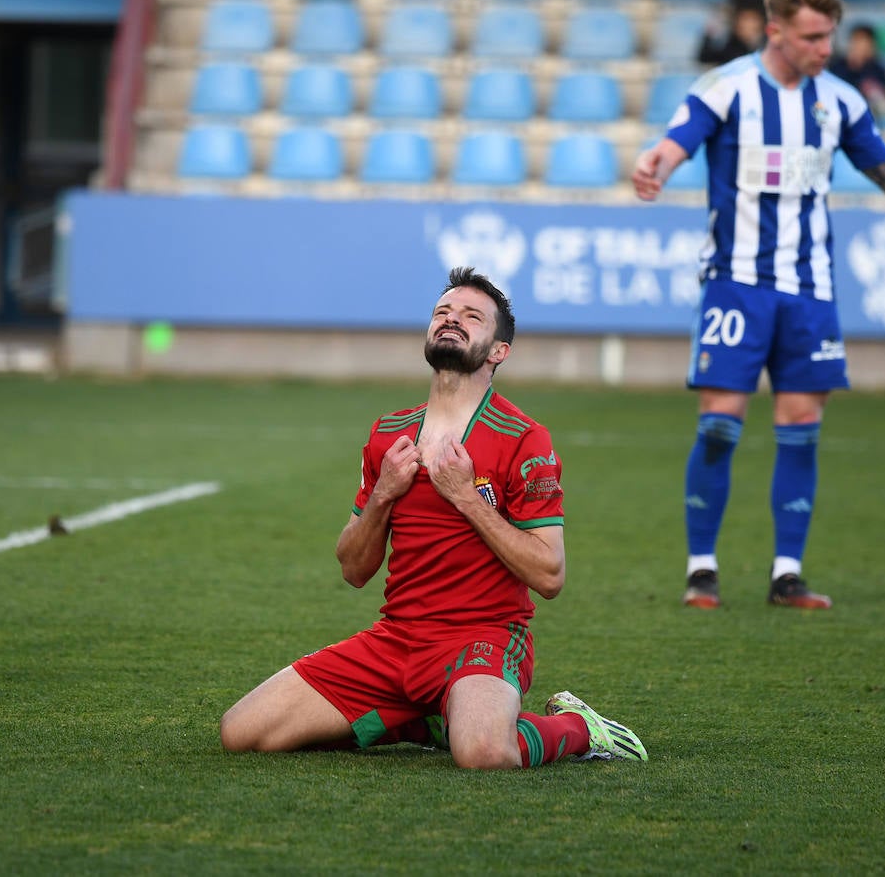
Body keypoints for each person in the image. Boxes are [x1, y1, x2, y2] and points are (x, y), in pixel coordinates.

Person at [631, 0, 885, 610]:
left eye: (829, 36)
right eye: (813, 37)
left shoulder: (840, 99)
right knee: (718, 428)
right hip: (736, 284)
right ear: (775, 31)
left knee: (802, 427)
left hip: (810, 291)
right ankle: (702, 568)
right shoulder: (726, 87)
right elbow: (677, 142)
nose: (824, 48)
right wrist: (657, 160)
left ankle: (787, 573)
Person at [220, 268, 646, 769]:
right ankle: (425, 717)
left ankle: (578, 727)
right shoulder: (389, 434)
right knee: (242, 732)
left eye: (471, 316)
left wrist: (467, 498)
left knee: (484, 752)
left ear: (497, 351)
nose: (451, 320)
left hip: (483, 638)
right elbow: (354, 570)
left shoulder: (524, 438)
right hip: (396, 639)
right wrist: (382, 495)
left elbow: (550, 575)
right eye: (443, 312)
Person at [829, 23, 885, 125]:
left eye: (864, 42)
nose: (859, 46)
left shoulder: (878, 71)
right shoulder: (838, 67)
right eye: (856, 41)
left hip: (872, 119)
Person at [698, 7, 766, 66]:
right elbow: (705, 59)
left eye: (752, 20)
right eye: (743, 20)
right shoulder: (729, 48)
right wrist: (709, 36)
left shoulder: (768, 46)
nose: (747, 25)